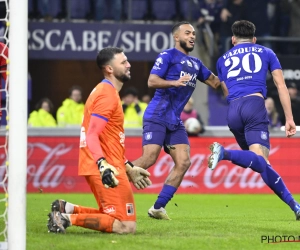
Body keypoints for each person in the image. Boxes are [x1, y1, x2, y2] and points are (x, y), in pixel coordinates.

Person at [47, 47, 151, 234]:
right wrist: (102, 164)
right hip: (106, 167)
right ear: (109, 69)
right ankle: (63, 218)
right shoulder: (107, 95)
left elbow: (108, 138)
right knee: (126, 226)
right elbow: (92, 134)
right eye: (123, 62)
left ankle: (66, 209)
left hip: (109, 163)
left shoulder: (106, 91)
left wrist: (128, 166)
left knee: (110, 215)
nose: (129, 65)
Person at [209, 20, 300, 220]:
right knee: (260, 159)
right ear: (255, 39)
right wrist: (289, 118)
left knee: (261, 163)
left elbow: (226, 91)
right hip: (254, 105)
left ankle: (295, 206)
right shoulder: (266, 52)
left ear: (233, 39)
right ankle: (224, 153)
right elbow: (281, 85)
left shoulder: (222, 59)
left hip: (233, 110)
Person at [132, 21, 220, 220]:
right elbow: (151, 81)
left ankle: (158, 207)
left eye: (194, 34)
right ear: (176, 36)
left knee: (184, 161)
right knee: (149, 159)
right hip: (157, 114)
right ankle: (111, 176)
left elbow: (215, 82)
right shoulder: (167, 56)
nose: (192, 36)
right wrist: (173, 82)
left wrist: (234, 80)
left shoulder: (196, 64)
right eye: (187, 33)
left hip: (174, 120)